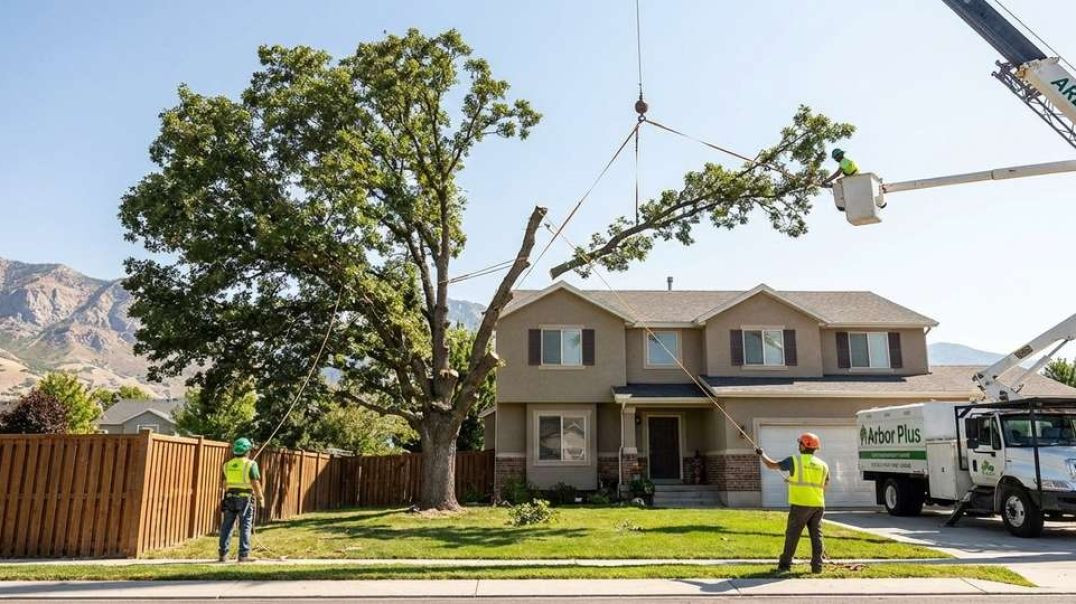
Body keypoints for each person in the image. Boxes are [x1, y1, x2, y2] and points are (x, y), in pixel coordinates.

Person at [756, 432, 830, 574]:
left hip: (800, 505)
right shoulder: (823, 465)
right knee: (817, 535)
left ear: (803, 446)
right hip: (818, 505)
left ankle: (785, 565)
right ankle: (817, 566)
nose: (798, 445)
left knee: (792, 535)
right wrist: (794, 481)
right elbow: (824, 485)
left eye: (800, 443)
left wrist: (762, 454)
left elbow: (771, 465)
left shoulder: (795, 460)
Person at [219, 436, 265, 563]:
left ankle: (223, 554)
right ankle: (243, 555)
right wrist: (260, 497)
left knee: (226, 526)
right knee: (245, 526)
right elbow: (255, 482)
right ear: (248, 451)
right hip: (245, 500)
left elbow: (224, 484)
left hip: (229, 498)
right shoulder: (251, 464)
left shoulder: (227, 465)